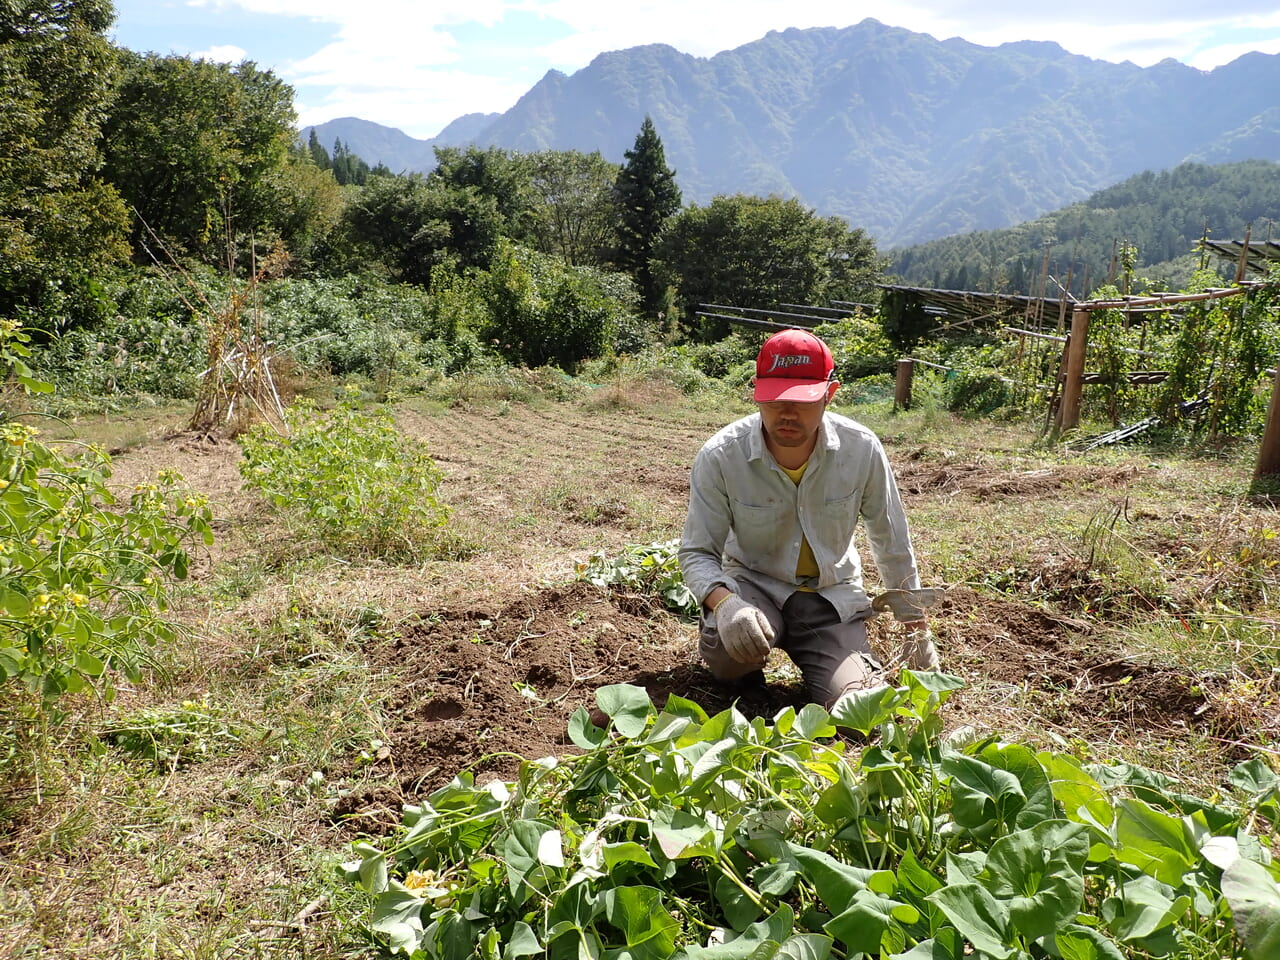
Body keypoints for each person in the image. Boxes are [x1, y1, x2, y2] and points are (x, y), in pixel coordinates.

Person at [678, 327, 941, 708]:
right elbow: (696, 552)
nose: (787, 413)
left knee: (854, 706)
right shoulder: (721, 455)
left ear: (830, 393)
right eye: (774, 400)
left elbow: (890, 538)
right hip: (754, 588)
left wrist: (916, 628)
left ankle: (837, 668)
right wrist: (726, 605)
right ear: (756, 390)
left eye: (802, 401)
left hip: (829, 598)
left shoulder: (860, 450)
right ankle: (747, 679)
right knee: (727, 648)